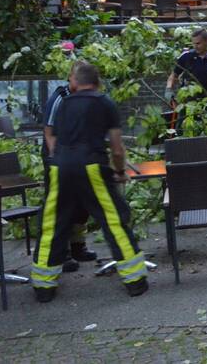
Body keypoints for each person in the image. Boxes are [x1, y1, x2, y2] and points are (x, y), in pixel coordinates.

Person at [32, 62, 148, 301]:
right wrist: (118, 172)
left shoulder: (63, 104)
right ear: (97, 82)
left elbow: (51, 136)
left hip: (59, 166)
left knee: (52, 223)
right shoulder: (104, 103)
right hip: (91, 165)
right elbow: (117, 148)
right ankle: (136, 281)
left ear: (75, 82)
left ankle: (43, 288)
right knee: (113, 220)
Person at [41, 61, 98, 273]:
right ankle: (61, 252)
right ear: (71, 79)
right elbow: (49, 132)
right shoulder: (60, 98)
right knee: (60, 206)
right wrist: (57, 159)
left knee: (81, 204)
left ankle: (77, 246)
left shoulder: (86, 96)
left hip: (79, 157)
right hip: (59, 157)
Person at [166, 28, 207, 129]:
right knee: (183, 133)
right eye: (193, 43)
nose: (195, 46)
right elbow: (173, 76)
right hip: (187, 105)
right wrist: (168, 90)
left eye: (198, 43)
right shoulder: (186, 57)